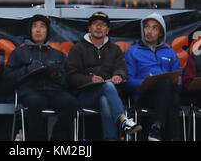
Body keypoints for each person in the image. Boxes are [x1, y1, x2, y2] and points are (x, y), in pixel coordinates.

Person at [66, 12, 142, 141]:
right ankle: (123, 119)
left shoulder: (115, 49)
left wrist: (118, 76)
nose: (99, 27)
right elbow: (71, 76)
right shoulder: (77, 48)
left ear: (107, 30)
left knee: (105, 100)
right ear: (89, 28)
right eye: (95, 24)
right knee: (107, 86)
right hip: (85, 96)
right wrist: (90, 79)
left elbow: (122, 69)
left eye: (102, 25)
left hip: (109, 97)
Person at [2, 14, 79, 141]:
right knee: (35, 103)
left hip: (55, 92)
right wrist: (26, 70)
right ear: (30, 31)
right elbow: (7, 78)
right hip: (31, 91)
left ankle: (57, 141)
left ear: (47, 31)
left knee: (72, 103)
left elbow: (68, 82)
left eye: (42, 26)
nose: (38, 30)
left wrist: (55, 74)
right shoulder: (19, 52)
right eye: (35, 26)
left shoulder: (58, 54)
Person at [125, 12, 182, 141]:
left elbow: (179, 82)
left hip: (167, 94)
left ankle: (157, 129)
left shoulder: (170, 52)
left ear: (161, 33)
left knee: (171, 91)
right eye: (146, 27)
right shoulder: (133, 51)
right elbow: (128, 82)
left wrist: (179, 82)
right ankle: (168, 134)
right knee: (166, 87)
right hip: (144, 96)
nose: (149, 31)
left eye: (154, 28)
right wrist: (148, 82)